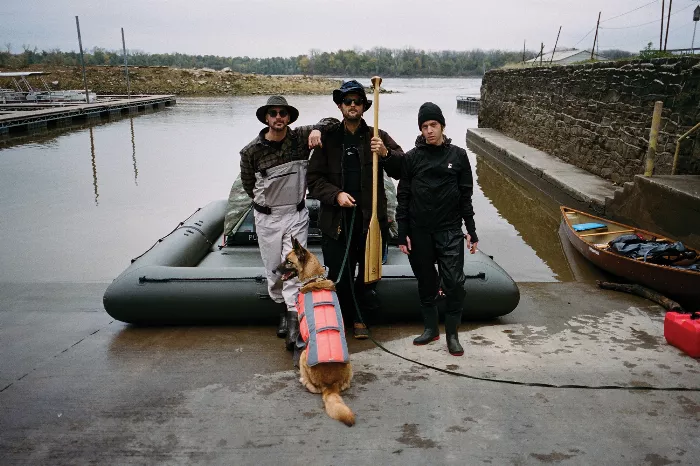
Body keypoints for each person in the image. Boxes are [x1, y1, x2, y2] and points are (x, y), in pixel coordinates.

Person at [307, 80, 404, 339]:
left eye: (357, 102)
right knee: (340, 271)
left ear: (363, 106)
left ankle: (361, 318)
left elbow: (401, 168)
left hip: (369, 219)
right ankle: (343, 318)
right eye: (347, 101)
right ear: (340, 106)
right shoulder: (327, 139)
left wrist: (384, 154)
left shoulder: (378, 136)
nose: (352, 105)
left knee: (367, 272)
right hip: (336, 220)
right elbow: (313, 180)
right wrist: (335, 195)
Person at [239, 95, 336, 351]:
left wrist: (317, 129)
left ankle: (294, 322)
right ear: (266, 118)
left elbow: (332, 122)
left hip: (296, 214)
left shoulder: (301, 137)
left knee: (294, 266)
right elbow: (249, 185)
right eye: (274, 113)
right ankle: (282, 310)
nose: (279, 117)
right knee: (274, 270)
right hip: (268, 218)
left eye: (283, 113)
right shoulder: (251, 152)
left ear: (290, 117)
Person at [396, 102, 479, 356]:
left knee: (454, 283)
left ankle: (452, 335)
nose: (429, 130)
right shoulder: (411, 158)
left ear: (442, 125)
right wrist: (402, 232)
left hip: (450, 230)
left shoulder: (458, 156)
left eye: (433, 125)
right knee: (426, 282)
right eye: (424, 126)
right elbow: (403, 197)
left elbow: (466, 197)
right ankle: (431, 329)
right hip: (420, 231)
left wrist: (472, 231)